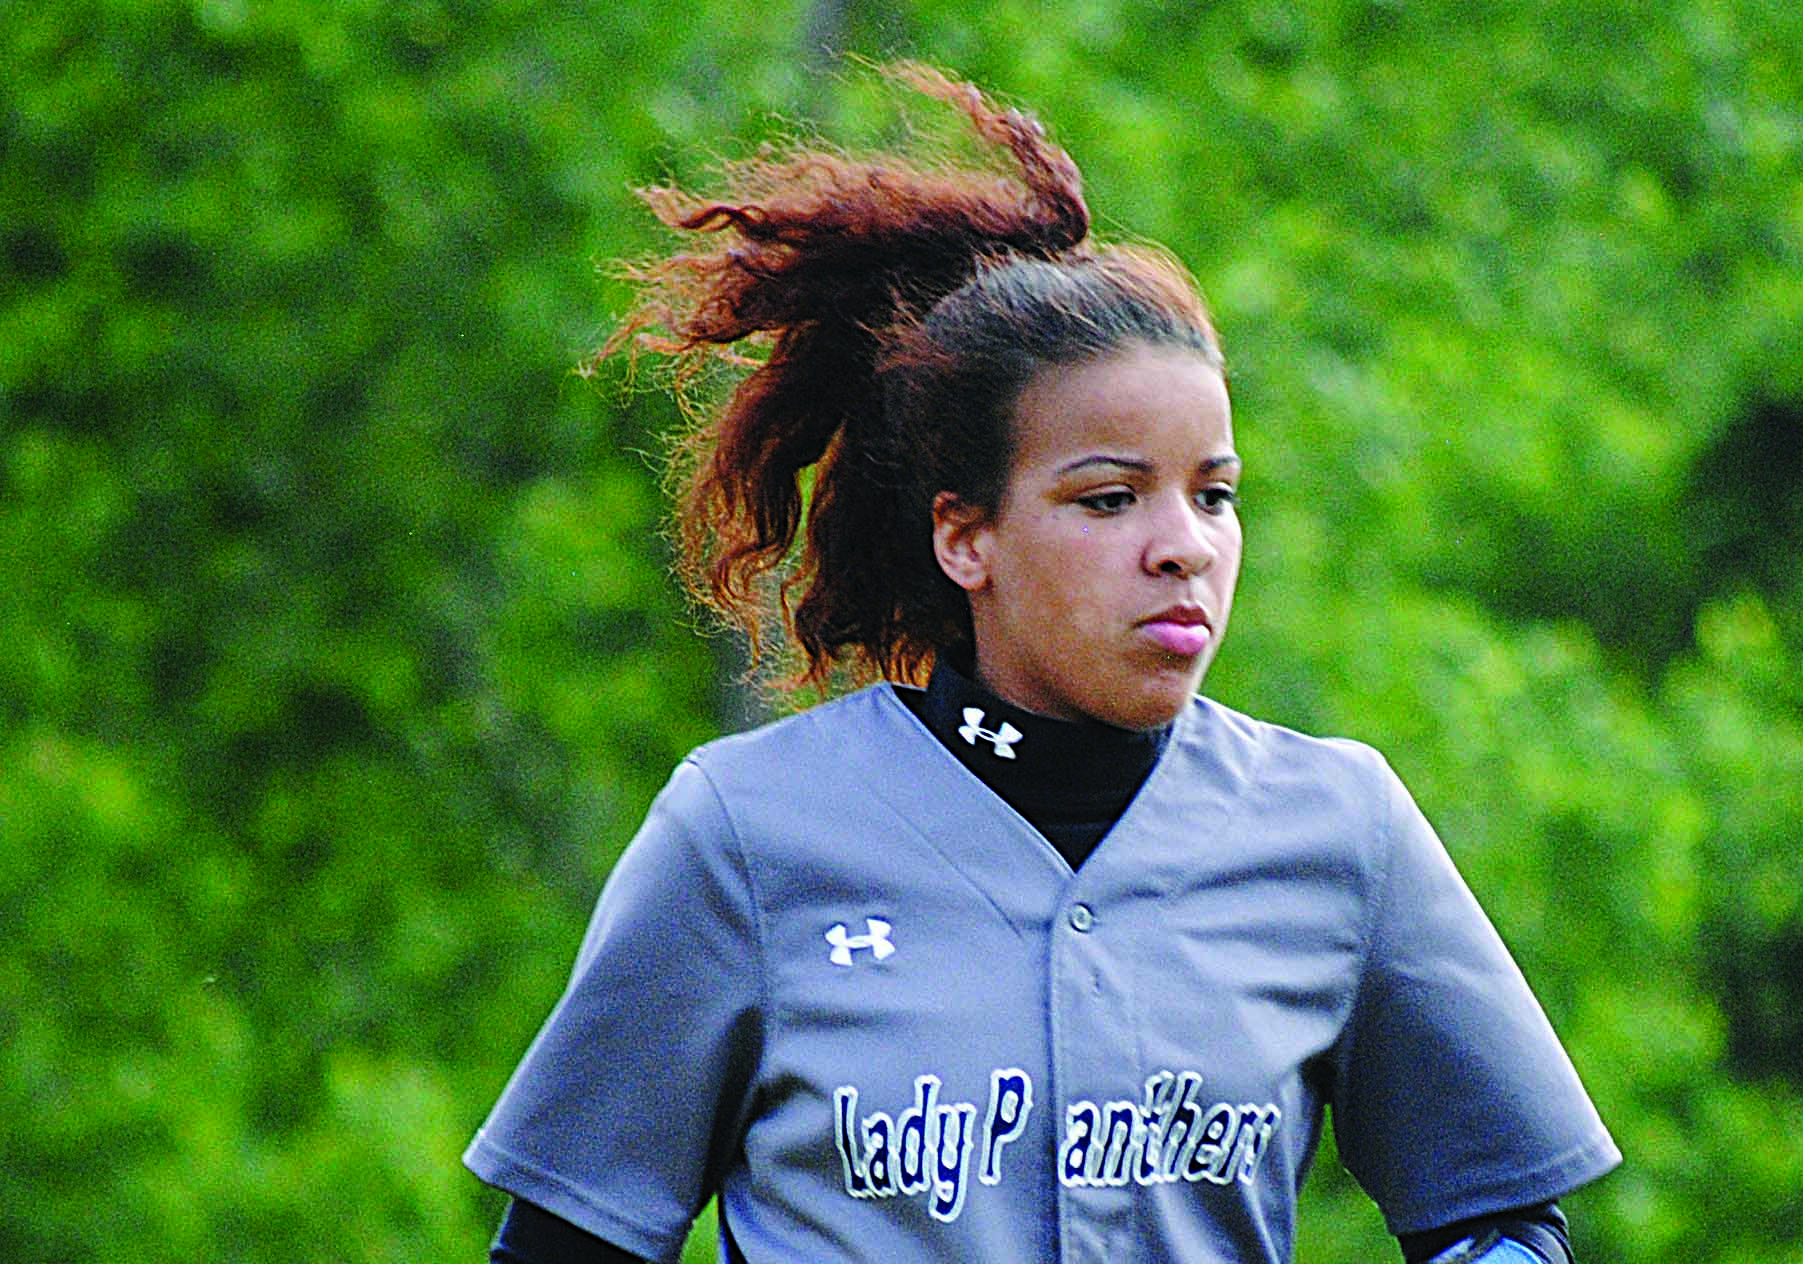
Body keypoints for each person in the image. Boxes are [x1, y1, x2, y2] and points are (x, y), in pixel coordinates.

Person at [464, 63, 1620, 1264]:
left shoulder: (1337, 828)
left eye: (1213, 495)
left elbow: (1500, 1222)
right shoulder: (745, 835)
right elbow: (565, 1246)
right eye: (1109, 498)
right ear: (965, 536)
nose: (1182, 546)